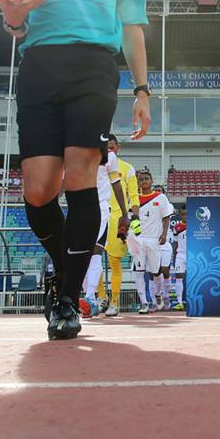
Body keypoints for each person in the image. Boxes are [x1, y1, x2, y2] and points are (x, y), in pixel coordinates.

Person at [0, 0, 150, 340]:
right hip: (40, 65)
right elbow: (15, 21)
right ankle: (66, 269)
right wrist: (15, 19)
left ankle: (66, 298)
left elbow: (131, 28)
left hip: (93, 70)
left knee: (82, 174)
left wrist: (143, 90)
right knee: (39, 191)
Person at [80, 146, 126, 317]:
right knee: (86, 253)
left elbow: (117, 185)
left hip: (99, 207)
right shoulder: (75, 150)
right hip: (80, 207)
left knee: (95, 251)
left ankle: (90, 297)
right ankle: (89, 298)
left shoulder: (108, 155)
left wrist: (123, 213)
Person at [100, 133, 136, 316]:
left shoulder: (128, 169)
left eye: (112, 148)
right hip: (97, 216)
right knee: (93, 259)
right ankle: (99, 298)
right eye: (106, 148)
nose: (109, 151)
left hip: (117, 219)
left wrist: (131, 217)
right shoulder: (95, 164)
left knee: (114, 262)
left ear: (118, 148)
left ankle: (114, 302)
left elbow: (134, 196)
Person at [131, 170, 173, 313]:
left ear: (151, 180)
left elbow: (166, 217)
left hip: (154, 240)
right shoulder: (134, 198)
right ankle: (144, 303)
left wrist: (164, 234)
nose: (143, 181)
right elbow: (130, 218)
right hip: (138, 239)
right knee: (139, 272)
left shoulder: (160, 197)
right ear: (138, 182)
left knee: (156, 272)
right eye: (141, 179)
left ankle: (158, 294)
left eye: (146, 178)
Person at [169, 208, 187, 310]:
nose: (185, 216)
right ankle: (180, 302)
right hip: (180, 254)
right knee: (179, 276)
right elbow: (175, 243)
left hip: (192, 255)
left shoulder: (194, 226)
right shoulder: (177, 227)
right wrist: (175, 257)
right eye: (183, 214)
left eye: (187, 214)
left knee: (195, 277)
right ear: (180, 216)